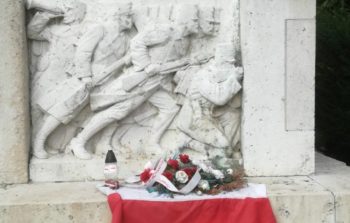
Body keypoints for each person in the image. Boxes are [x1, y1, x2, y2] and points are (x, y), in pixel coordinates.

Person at [67, 5, 201, 159]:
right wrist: (146, 65)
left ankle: (152, 143)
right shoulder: (165, 32)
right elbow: (137, 42)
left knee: (170, 108)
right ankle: (79, 141)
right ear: (185, 20)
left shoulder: (184, 40)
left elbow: (172, 62)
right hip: (141, 82)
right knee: (117, 111)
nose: (197, 24)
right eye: (195, 20)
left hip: (157, 84)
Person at [31, 1, 134, 159]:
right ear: (117, 15)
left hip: (106, 82)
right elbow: (83, 52)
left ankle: (77, 145)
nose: (130, 19)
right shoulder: (100, 29)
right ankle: (39, 141)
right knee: (64, 110)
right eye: (127, 15)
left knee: (87, 116)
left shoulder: (125, 39)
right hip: (87, 78)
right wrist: (85, 76)